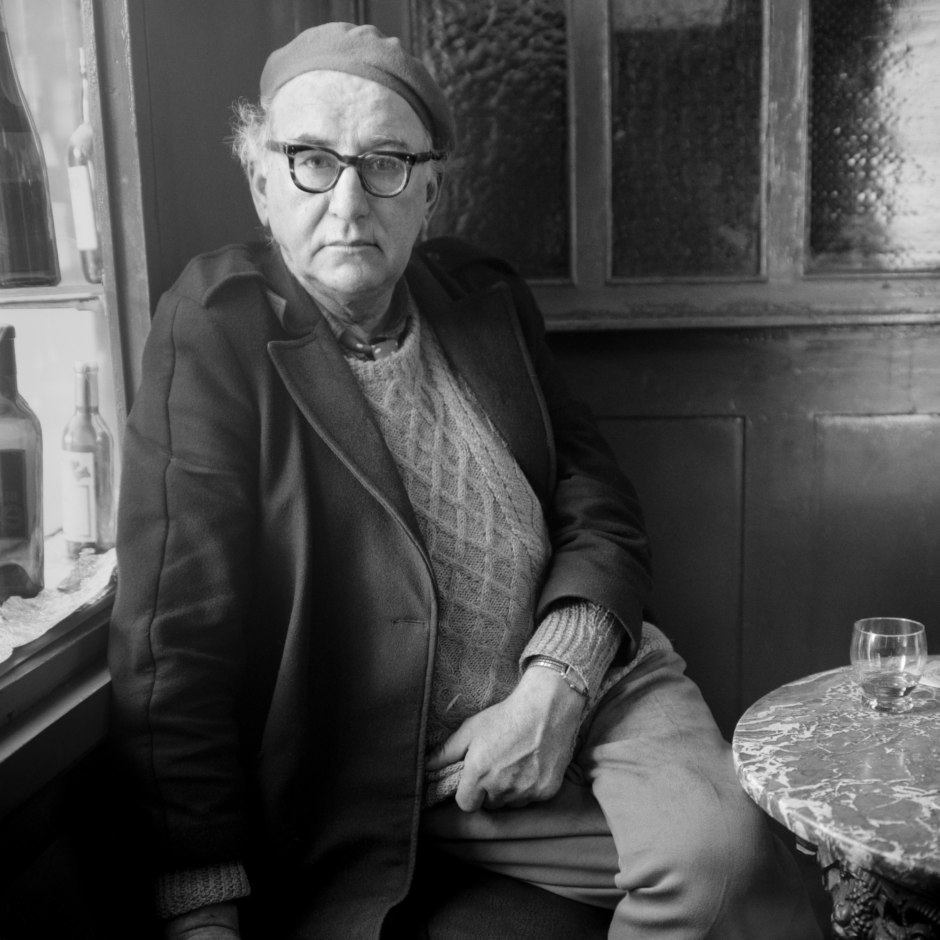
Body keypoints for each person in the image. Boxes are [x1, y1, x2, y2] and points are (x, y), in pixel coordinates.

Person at [108, 22, 822, 940]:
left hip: (600, 671)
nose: (349, 202)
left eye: (387, 163)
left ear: (430, 191)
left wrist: (558, 681)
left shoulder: (482, 294)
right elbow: (174, 637)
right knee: (737, 873)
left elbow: (597, 504)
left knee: (745, 859)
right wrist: (200, 904)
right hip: (421, 755)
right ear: (260, 182)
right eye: (311, 161)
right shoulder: (216, 326)